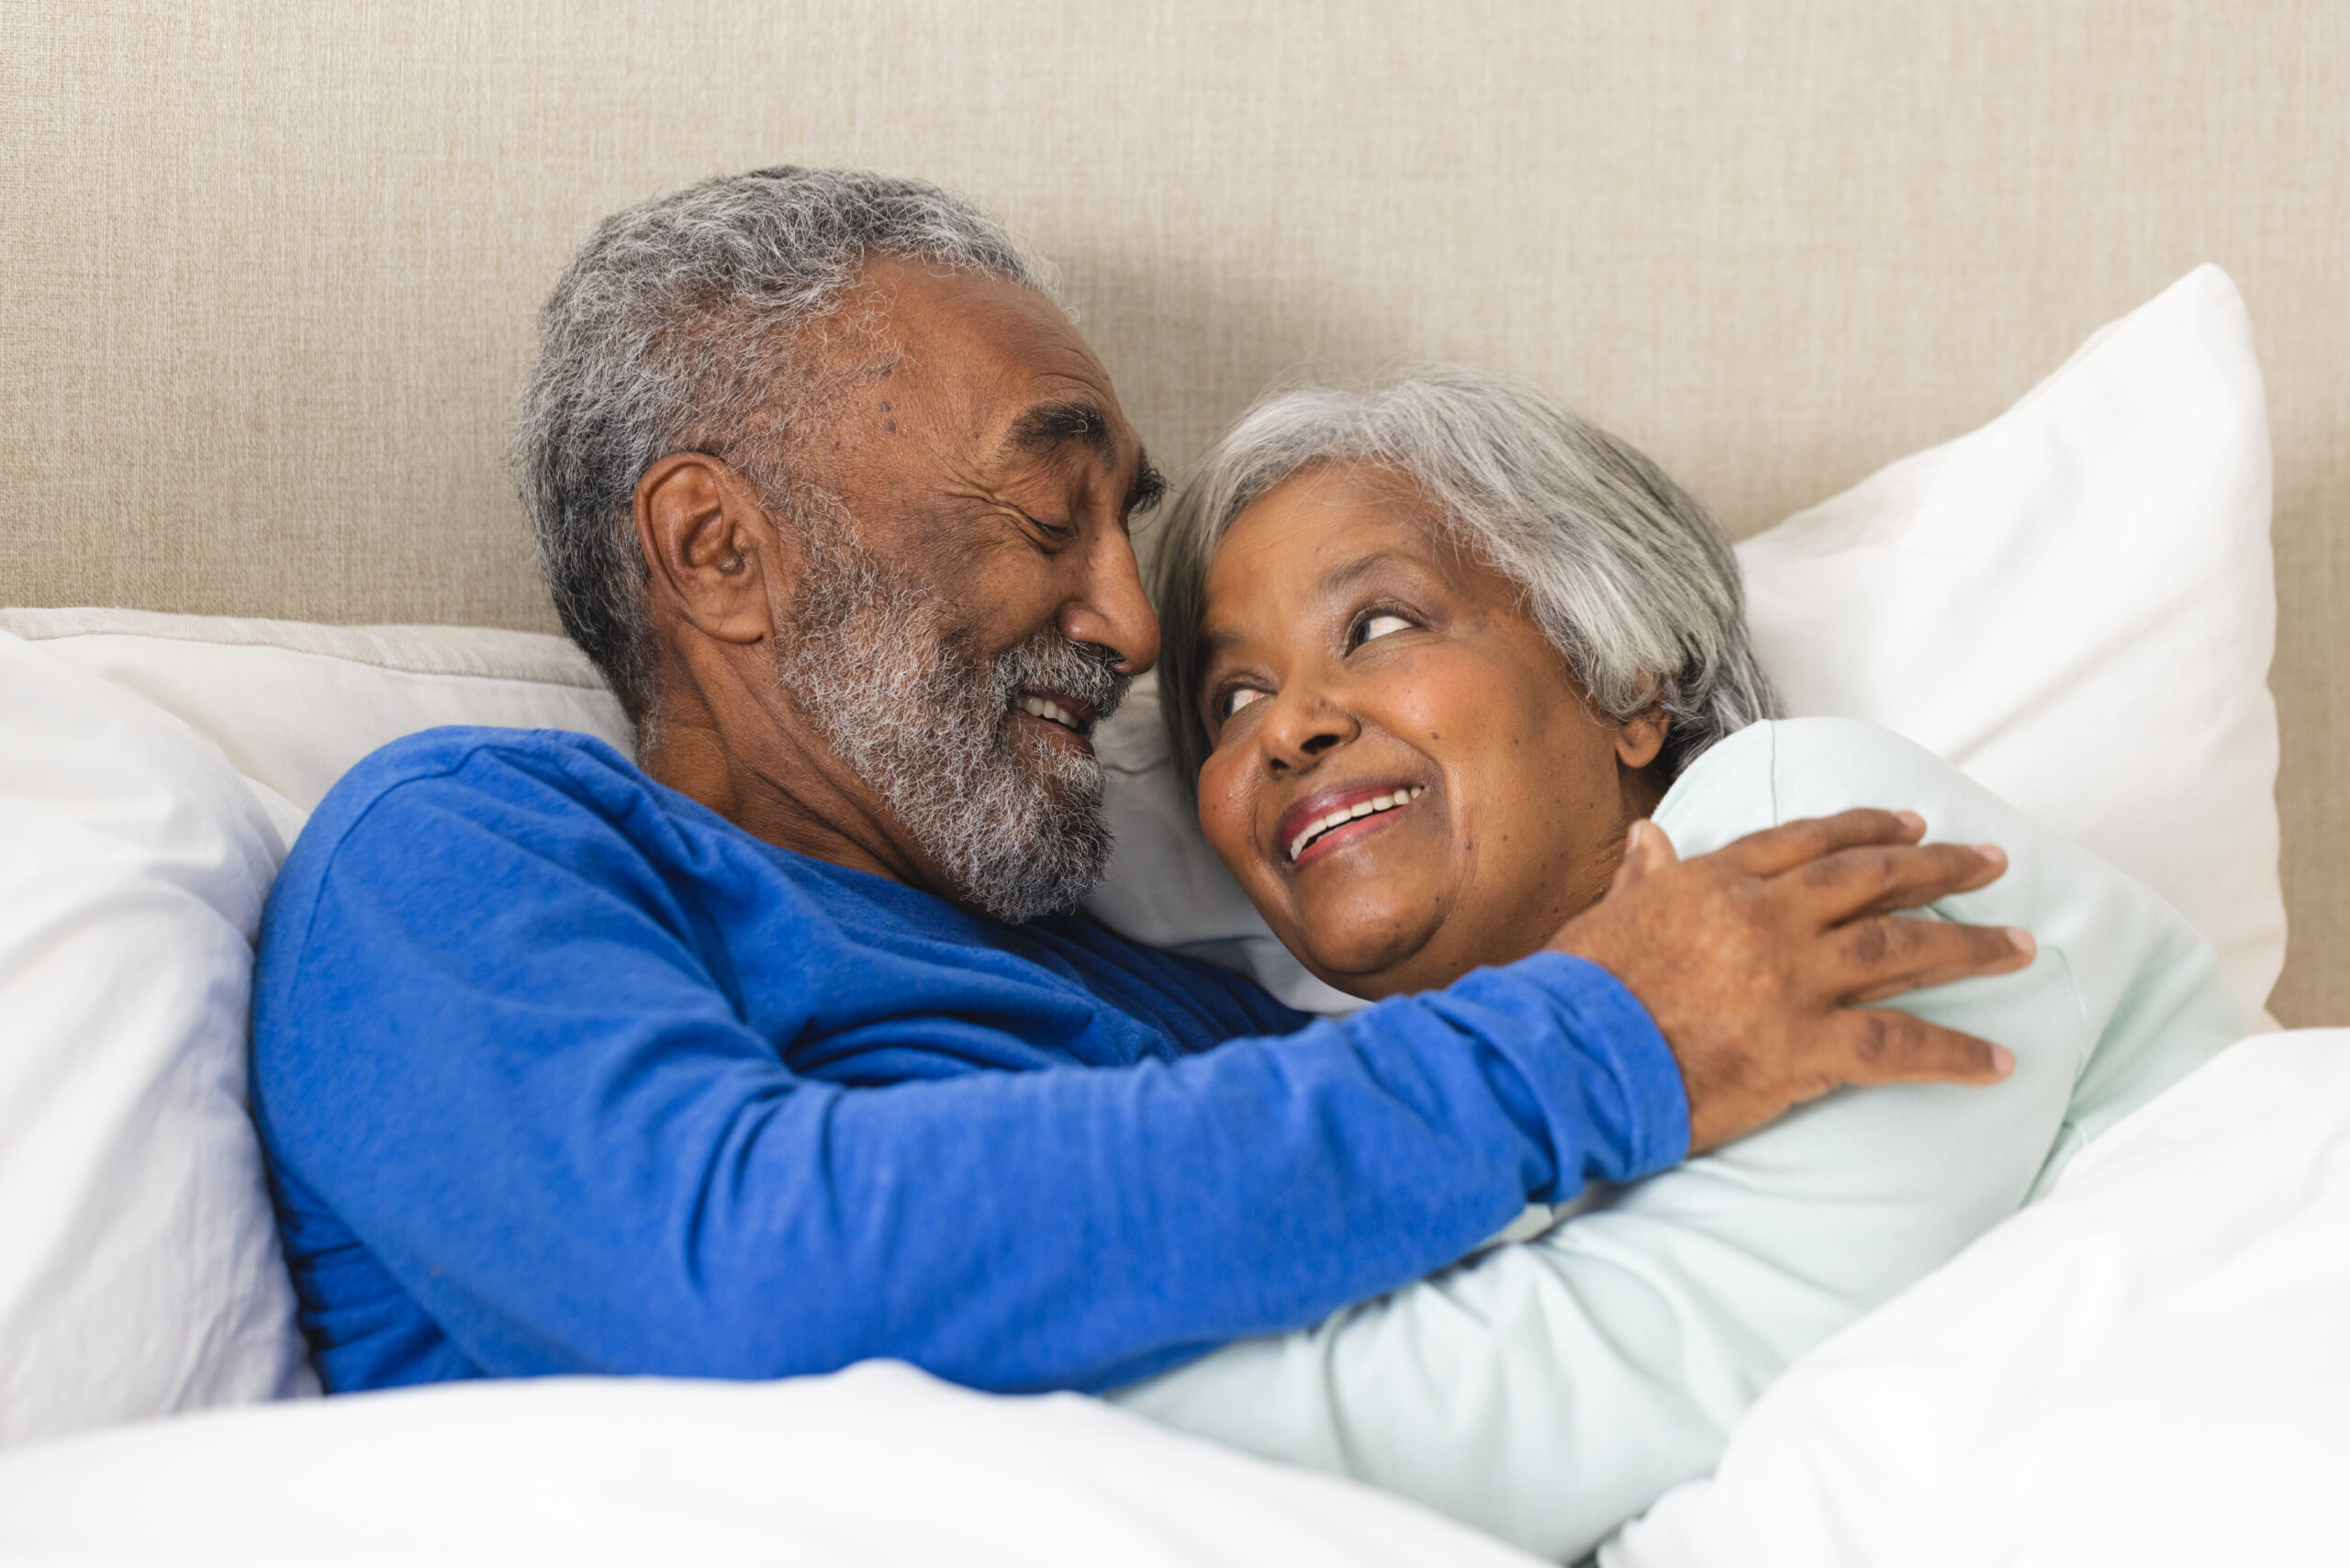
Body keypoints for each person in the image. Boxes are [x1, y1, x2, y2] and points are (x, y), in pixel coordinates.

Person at [250, 170, 2031, 1416]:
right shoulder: (479, 847)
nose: (1122, 625)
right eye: (1049, 512)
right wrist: (1597, 1041)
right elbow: (724, 1271)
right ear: (722, 550)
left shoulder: (1191, 1007)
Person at [1109, 367, 2244, 1559]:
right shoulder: (1390, 1100)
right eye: (1234, 696)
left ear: (1626, 682)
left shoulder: (1805, 827)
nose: (1287, 726)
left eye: (1380, 625)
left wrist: (967, 1395)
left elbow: (1536, 1408)